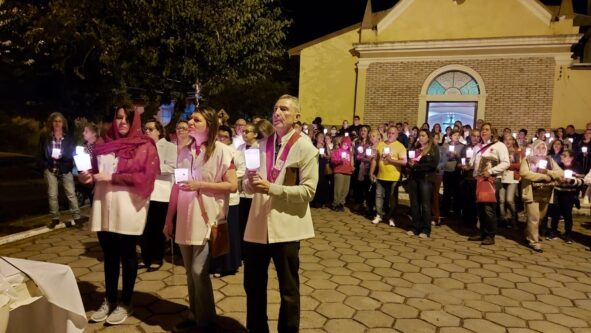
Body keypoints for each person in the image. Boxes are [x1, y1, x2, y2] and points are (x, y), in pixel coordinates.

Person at [243, 94, 318, 333]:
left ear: (297, 117)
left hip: (286, 227)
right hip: (257, 225)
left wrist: (272, 188)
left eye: (284, 109)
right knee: (253, 285)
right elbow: (247, 183)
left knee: (288, 288)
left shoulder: (305, 147)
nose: (277, 112)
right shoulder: (261, 145)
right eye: (275, 108)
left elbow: (309, 191)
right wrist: (248, 184)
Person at [81, 105, 159, 325]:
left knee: (127, 254)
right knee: (110, 255)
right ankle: (110, 299)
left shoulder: (144, 145)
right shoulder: (103, 144)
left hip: (129, 207)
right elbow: (96, 173)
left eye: (127, 118)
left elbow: (145, 178)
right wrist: (87, 178)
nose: (122, 122)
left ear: (135, 120)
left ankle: (126, 302)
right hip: (104, 205)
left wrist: (112, 177)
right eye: (118, 117)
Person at [163, 107, 237, 332]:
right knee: (189, 271)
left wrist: (200, 185)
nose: (190, 122)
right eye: (190, 119)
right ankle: (196, 315)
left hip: (207, 217)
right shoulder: (184, 151)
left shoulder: (222, 151)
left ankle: (205, 323)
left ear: (210, 125)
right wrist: (168, 220)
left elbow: (232, 185)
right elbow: (176, 188)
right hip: (185, 217)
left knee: (198, 271)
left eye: (197, 119)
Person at [139, 119, 176, 271]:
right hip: (145, 192)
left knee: (157, 227)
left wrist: (152, 168)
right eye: (145, 129)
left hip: (161, 192)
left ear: (159, 131)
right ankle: (145, 257)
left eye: (150, 129)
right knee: (144, 227)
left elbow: (171, 166)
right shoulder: (142, 146)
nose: (147, 131)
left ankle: (157, 257)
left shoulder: (169, 146)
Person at [466, 123, 509, 245]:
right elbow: (473, 163)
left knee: (489, 209)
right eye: (482, 130)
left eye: (486, 130)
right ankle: (482, 233)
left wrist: (490, 171)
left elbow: (506, 163)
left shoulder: (499, 146)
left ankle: (490, 235)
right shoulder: (477, 147)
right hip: (479, 180)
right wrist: (468, 165)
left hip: (492, 180)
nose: (483, 132)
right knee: (480, 208)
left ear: (492, 132)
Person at [210, 125, 245, 277]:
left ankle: (230, 264)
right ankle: (216, 264)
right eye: (219, 136)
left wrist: (228, 178)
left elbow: (242, 169)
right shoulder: (213, 151)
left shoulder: (235, 152)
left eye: (225, 136)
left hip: (230, 198)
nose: (221, 139)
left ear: (230, 138)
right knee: (217, 231)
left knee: (230, 231)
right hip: (215, 196)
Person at [39, 112, 81, 228]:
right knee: (52, 195)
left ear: (63, 123)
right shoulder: (46, 137)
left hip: (64, 168)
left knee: (71, 194)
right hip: (50, 168)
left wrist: (63, 156)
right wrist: (44, 164)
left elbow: (72, 153)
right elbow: (41, 153)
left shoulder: (69, 137)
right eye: (55, 121)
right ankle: (55, 218)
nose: (57, 123)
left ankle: (77, 218)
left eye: (59, 121)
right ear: (51, 123)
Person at [520, 140, 563, 252]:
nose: (541, 150)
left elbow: (560, 172)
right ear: (534, 148)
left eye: (543, 148)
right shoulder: (527, 159)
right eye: (538, 148)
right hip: (532, 192)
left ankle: (529, 233)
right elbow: (524, 173)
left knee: (540, 217)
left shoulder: (549, 160)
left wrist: (548, 172)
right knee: (534, 217)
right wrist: (542, 177)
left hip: (546, 193)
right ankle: (534, 242)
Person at [369, 126, 407, 227]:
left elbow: (404, 162)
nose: (390, 135)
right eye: (389, 133)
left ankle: (391, 217)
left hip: (393, 177)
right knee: (378, 196)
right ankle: (379, 215)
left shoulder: (400, 146)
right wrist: (371, 172)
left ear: (397, 134)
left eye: (393, 133)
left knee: (392, 198)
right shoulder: (381, 144)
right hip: (381, 176)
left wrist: (391, 160)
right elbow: (374, 160)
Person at [406, 129, 439, 238]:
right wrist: (409, 164)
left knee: (425, 205)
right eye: (419, 135)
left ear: (428, 137)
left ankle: (426, 229)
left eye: (423, 135)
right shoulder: (415, 149)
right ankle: (415, 226)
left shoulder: (433, 149)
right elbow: (409, 163)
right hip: (414, 179)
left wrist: (416, 167)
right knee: (415, 204)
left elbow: (433, 165)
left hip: (426, 179)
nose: (421, 137)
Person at [547, 149, 584, 244]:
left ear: (571, 157)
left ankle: (568, 234)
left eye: (565, 155)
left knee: (567, 214)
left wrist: (571, 181)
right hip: (558, 192)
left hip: (569, 194)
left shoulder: (577, 168)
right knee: (555, 213)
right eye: (562, 155)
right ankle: (553, 231)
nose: (561, 157)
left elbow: (581, 182)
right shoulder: (559, 167)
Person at [330, 135, 354, 212]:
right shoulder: (337, 151)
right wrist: (340, 160)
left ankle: (341, 203)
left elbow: (351, 162)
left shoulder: (349, 153)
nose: (345, 146)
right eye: (344, 144)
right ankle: (335, 203)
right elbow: (333, 160)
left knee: (345, 189)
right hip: (339, 171)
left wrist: (351, 168)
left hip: (347, 172)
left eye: (347, 145)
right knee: (338, 189)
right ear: (341, 143)